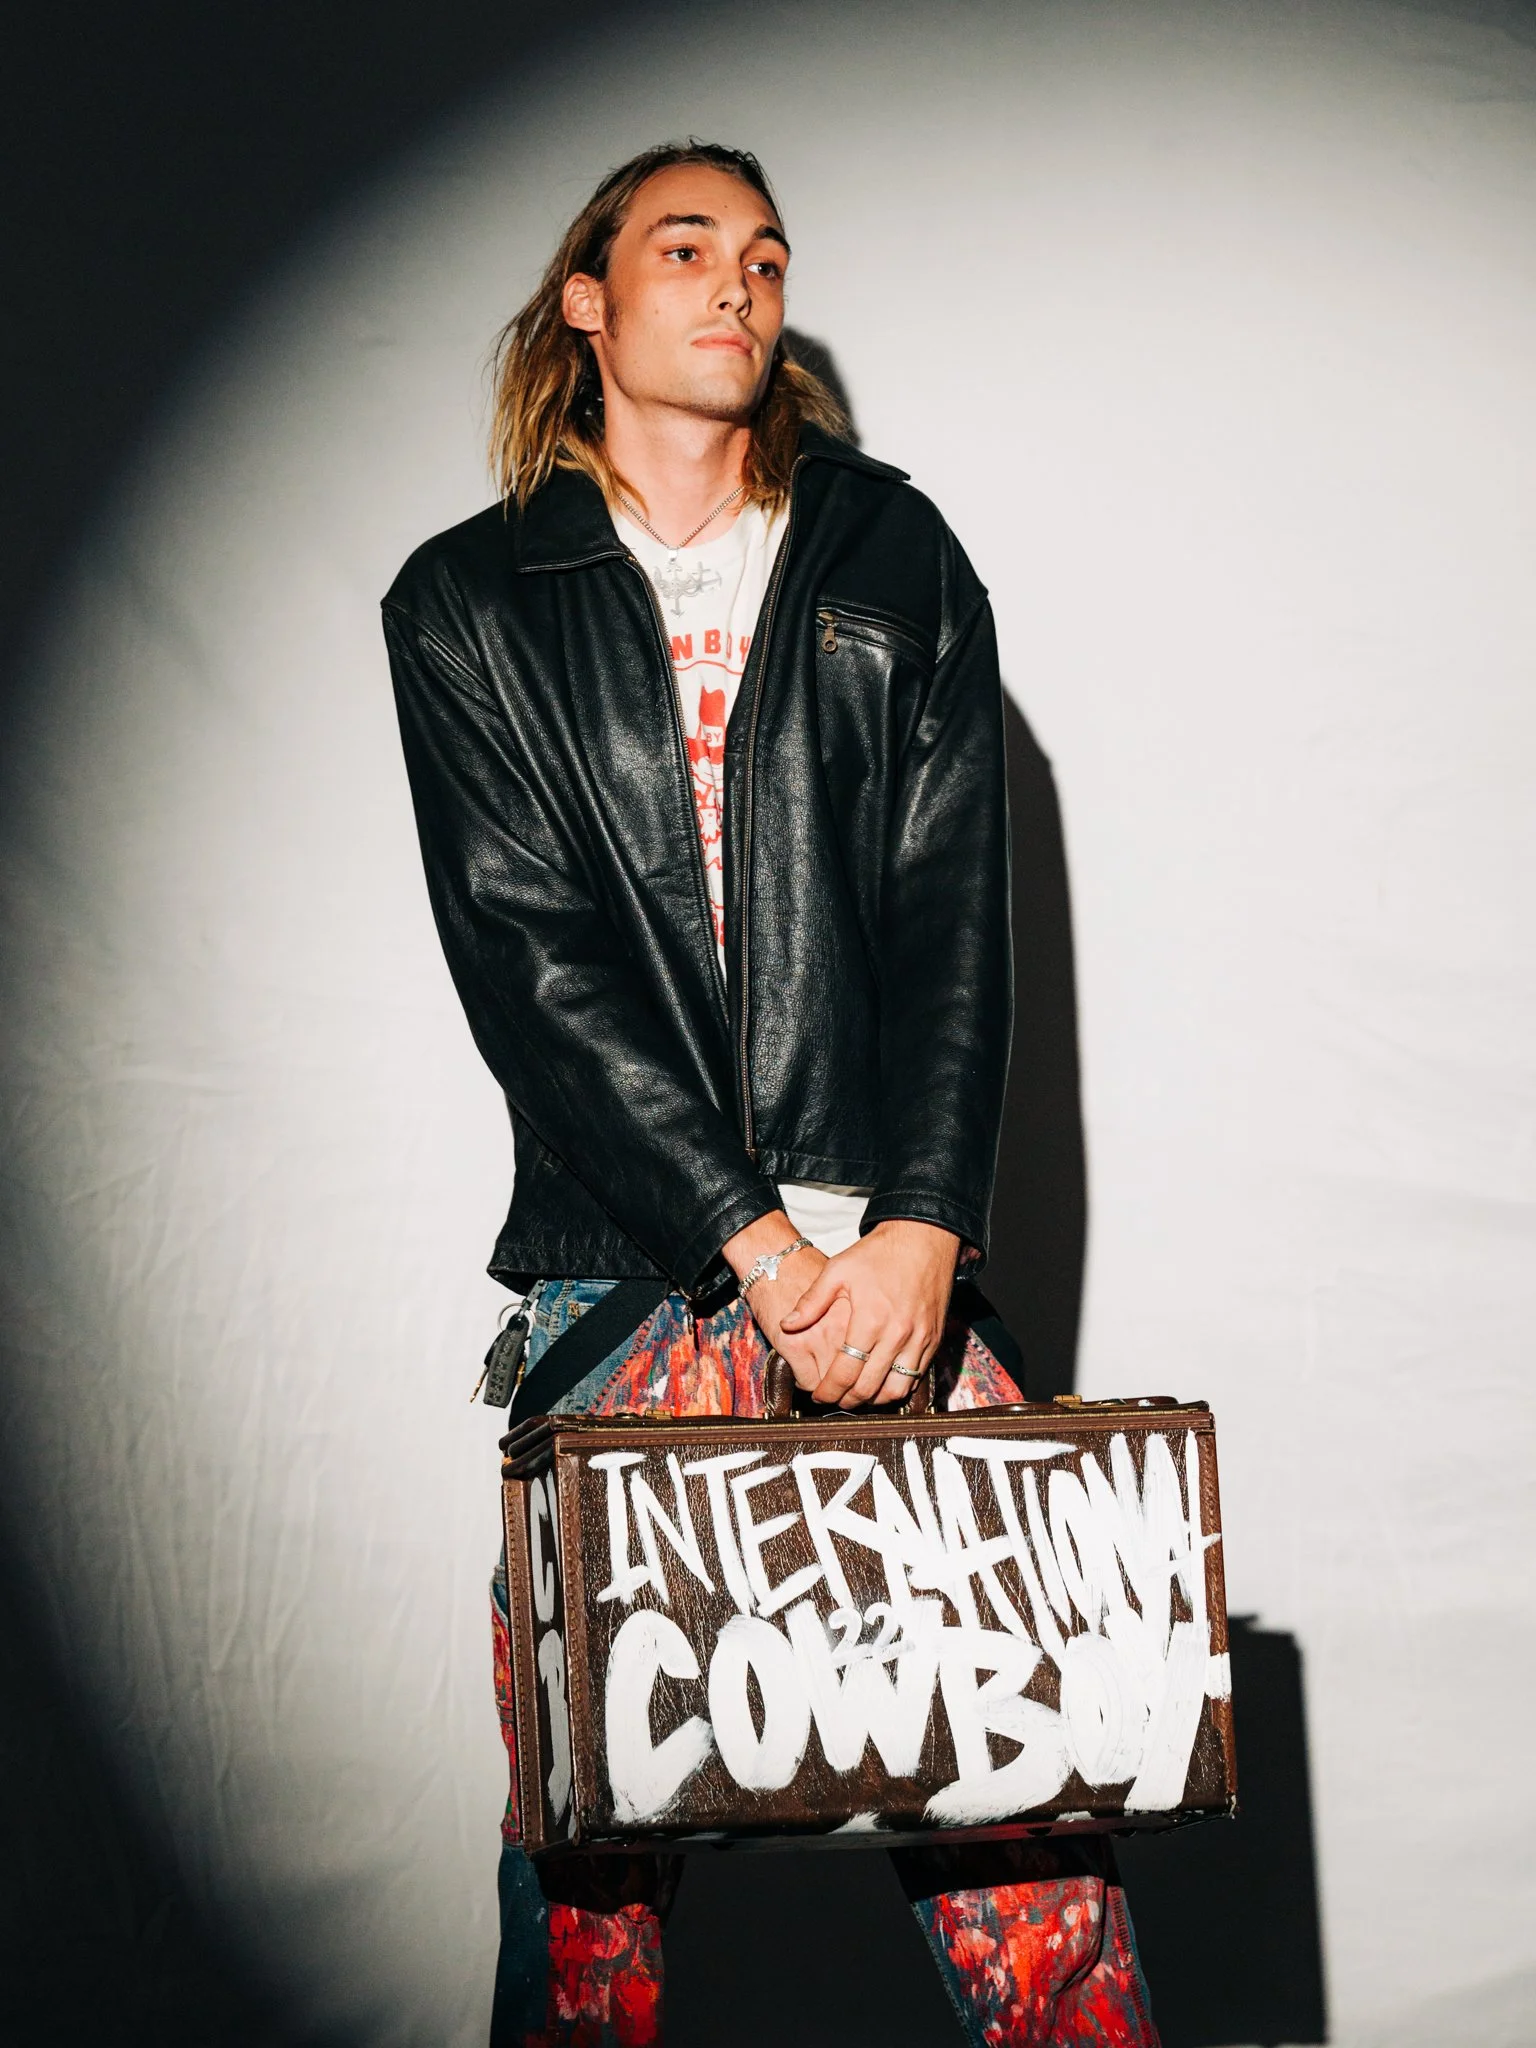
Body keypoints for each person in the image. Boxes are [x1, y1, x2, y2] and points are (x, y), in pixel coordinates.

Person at [383, 140, 1158, 2048]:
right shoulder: (471, 602)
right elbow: (530, 961)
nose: (739, 284)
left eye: (767, 255)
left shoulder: (895, 553)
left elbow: (960, 917)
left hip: (890, 1270)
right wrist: (748, 1243)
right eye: (686, 246)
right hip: (628, 1279)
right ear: (588, 299)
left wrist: (918, 1227)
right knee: (593, 1874)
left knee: (1025, 1811)